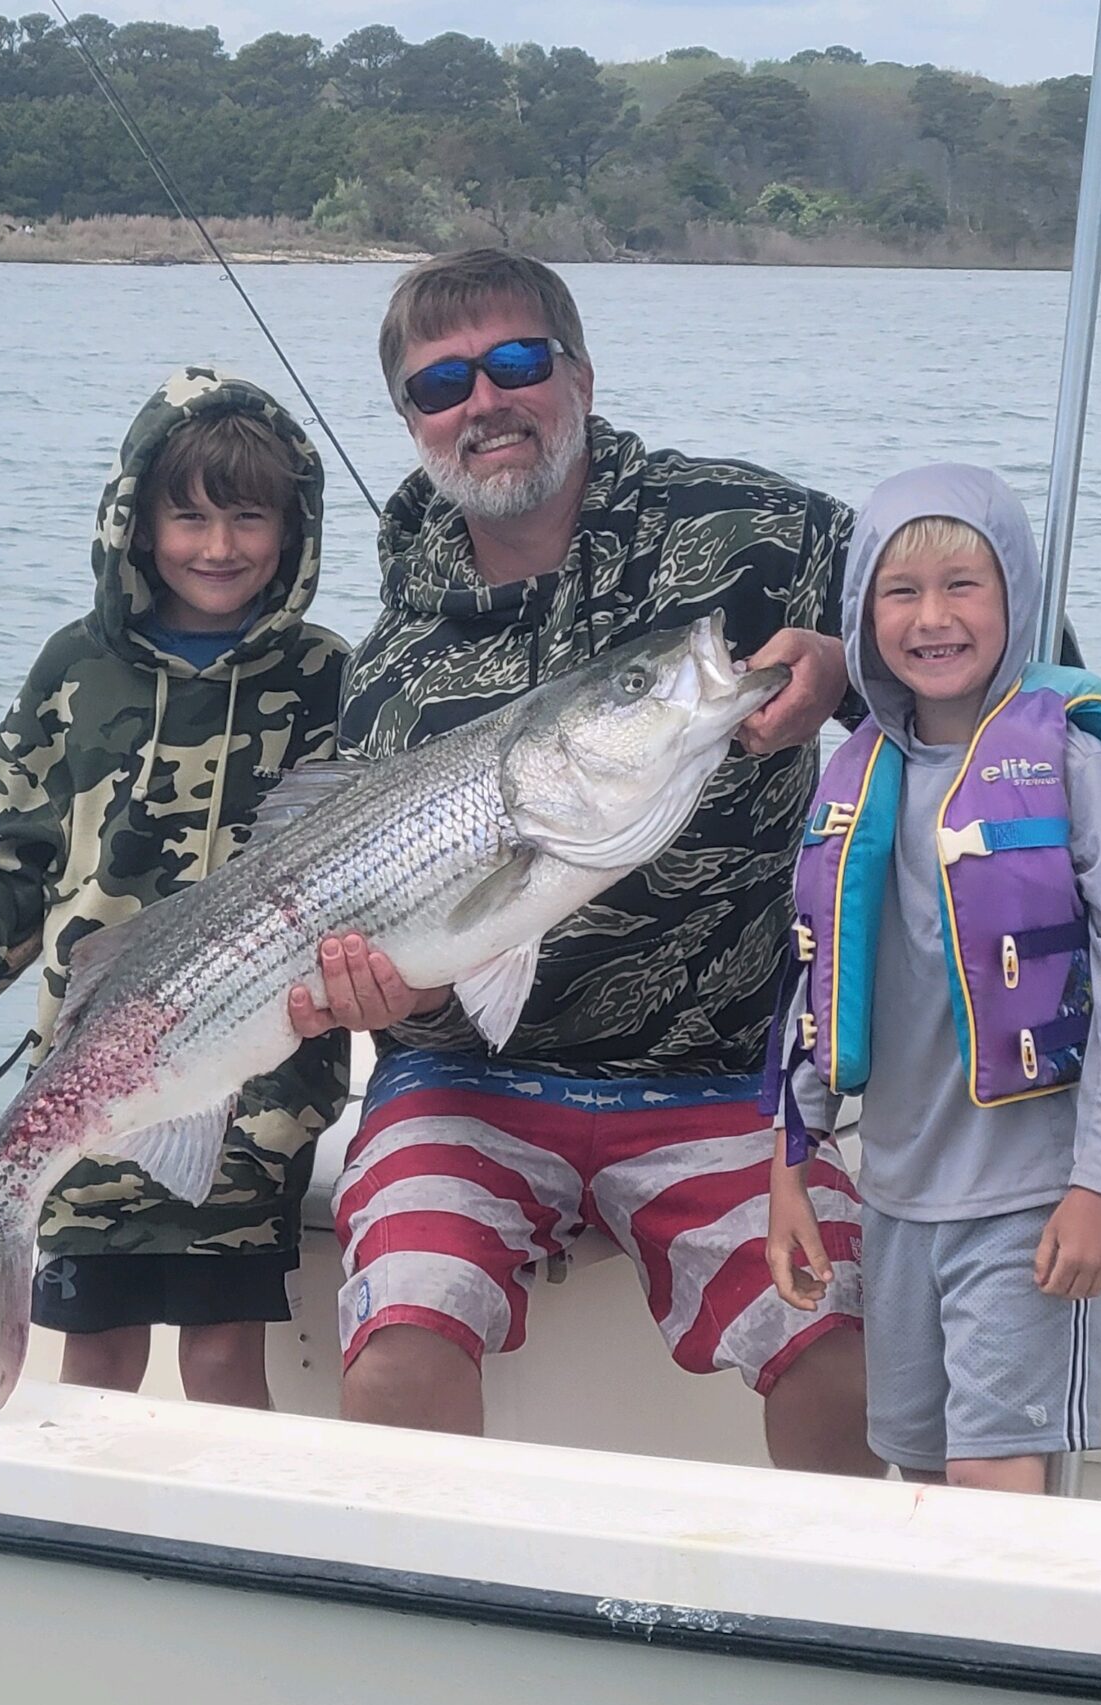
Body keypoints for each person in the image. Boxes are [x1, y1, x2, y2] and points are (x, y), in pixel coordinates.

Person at [289, 249, 876, 1474]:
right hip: (465, 1087)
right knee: (402, 1327)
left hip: (723, 1080)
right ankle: (422, 1620)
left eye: (516, 363)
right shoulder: (392, 672)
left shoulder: (754, 535)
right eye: (440, 385)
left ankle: (859, 1638)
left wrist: (849, 667)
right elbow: (434, 957)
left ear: (582, 375)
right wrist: (400, 987)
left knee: (841, 1343)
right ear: (411, 422)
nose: (484, 404)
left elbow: (981, 631)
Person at [0, 366, 349, 1408]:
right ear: (135, 522)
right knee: (94, 1344)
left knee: (225, 1346)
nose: (219, 546)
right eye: (187, 516)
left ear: (293, 527)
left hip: (256, 1078)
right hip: (93, 1050)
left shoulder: (330, 674)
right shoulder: (74, 668)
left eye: (249, 516)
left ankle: (234, 1553)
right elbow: (11, 860)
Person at [766, 462, 1101, 1491]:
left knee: (994, 1475)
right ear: (862, 612)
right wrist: (789, 1165)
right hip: (899, 1195)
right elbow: (814, 977)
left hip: (1031, 1196)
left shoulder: (1070, 765)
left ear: (1016, 595)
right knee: (915, 1467)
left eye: (964, 585)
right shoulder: (856, 773)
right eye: (900, 591)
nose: (933, 618)